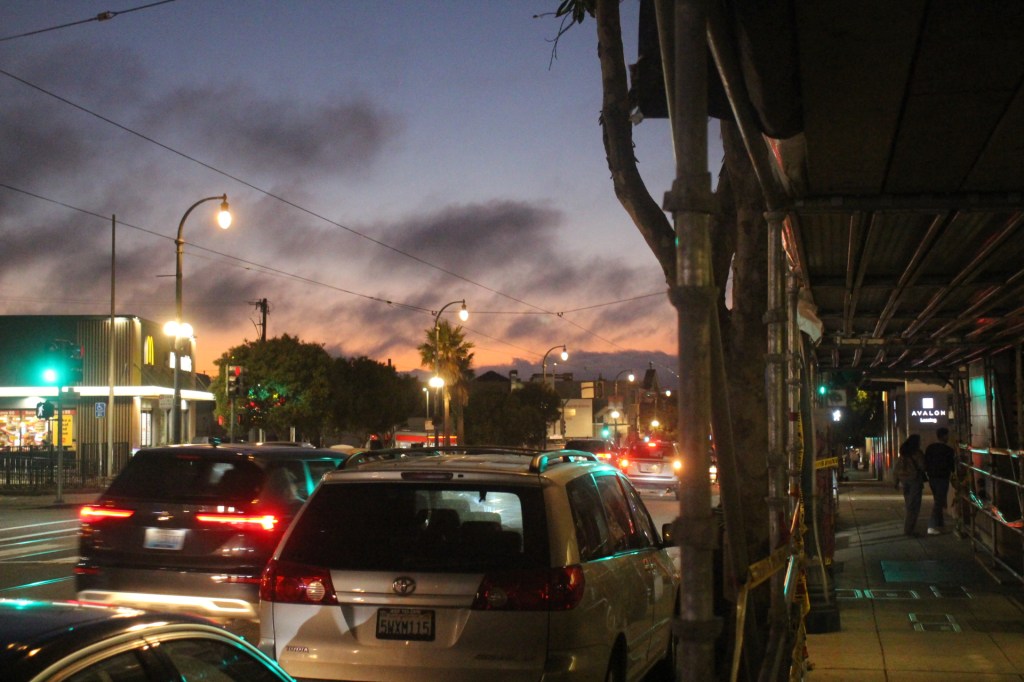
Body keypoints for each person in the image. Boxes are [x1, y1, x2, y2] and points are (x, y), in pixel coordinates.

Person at [924, 427, 956, 535]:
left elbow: (926, 462)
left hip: (932, 478)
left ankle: (940, 523)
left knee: (938, 499)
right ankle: (931, 526)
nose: (948, 437)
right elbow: (952, 465)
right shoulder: (948, 450)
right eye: (947, 435)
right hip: (942, 477)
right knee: (939, 501)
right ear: (944, 436)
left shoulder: (930, 448)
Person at [896, 434, 927, 537]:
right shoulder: (917, 453)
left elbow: (897, 468)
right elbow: (923, 466)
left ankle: (909, 528)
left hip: (904, 481)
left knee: (909, 505)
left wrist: (896, 481)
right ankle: (909, 529)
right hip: (915, 481)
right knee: (914, 506)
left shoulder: (903, 454)